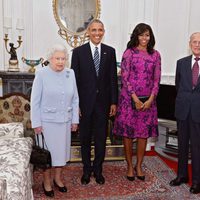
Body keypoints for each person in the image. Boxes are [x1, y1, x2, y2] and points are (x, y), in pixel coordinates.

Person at [71, 19, 118, 185]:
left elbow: (113, 79)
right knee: (84, 139)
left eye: (100, 30)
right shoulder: (78, 52)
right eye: (94, 30)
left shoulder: (110, 52)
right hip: (84, 105)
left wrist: (114, 102)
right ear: (88, 32)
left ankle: (98, 170)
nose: (97, 33)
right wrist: (75, 105)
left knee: (100, 139)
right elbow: (74, 81)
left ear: (103, 32)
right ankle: (86, 170)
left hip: (103, 105)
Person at [113, 23, 161, 181]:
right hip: (129, 101)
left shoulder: (155, 55)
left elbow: (156, 79)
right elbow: (125, 79)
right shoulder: (129, 53)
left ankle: (139, 165)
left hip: (148, 102)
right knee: (128, 134)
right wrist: (135, 98)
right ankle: (129, 166)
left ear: (150, 37)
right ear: (136, 36)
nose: (144, 38)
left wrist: (150, 99)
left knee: (143, 135)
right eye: (141, 35)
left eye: (147, 35)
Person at [31, 44, 79, 197]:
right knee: (47, 155)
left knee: (61, 154)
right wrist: (36, 123)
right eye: (57, 58)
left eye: (63, 59)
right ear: (50, 59)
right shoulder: (41, 74)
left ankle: (58, 179)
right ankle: (46, 182)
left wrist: (75, 120)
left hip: (65, 122)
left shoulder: (70, 73)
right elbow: (35, 101)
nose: (60, 62)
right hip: (46, 124)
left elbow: (75, 99)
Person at [169, 32, 200, 194]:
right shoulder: (181, 63)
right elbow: (178, 85)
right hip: (182, 111)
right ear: (190, 44)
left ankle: (196, 181)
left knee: (196, 147)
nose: (197, 45)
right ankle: (181, 176)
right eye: (194, 42)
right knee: (181, 145)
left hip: (198, 112)